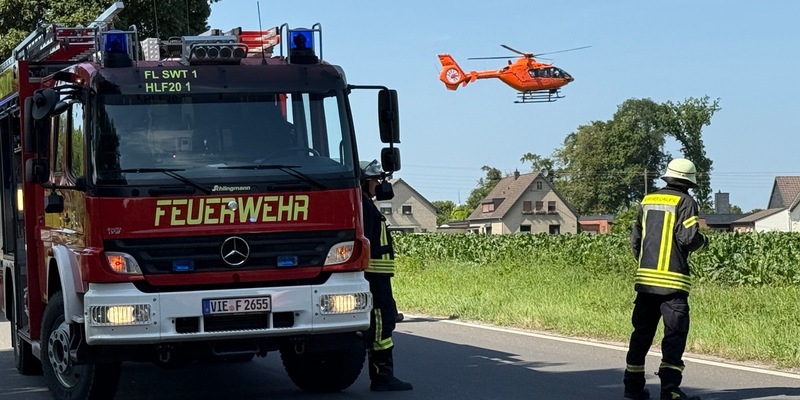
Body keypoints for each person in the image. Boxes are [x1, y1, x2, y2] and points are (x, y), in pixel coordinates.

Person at [624, 158, 708, 400]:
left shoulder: (648, 200)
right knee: (674, 337)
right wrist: (704, 243)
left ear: (668, 177)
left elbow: (635, 241)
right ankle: (670, 390)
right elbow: (688, 238)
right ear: (689, 182)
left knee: (641, 336)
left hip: (646, 283)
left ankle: (632, 389)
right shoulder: (686, 202)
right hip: (673, 285)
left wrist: (646, 264)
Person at [360, 160, 413, 392]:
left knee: (386, 319)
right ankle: (382, 377)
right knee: (382, 325)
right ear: (364, 181)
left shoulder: (366, 205)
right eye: (375, 180)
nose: (378, 185)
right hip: (374, 277)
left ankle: (384, 375)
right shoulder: (362, 205)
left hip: (379, 276)